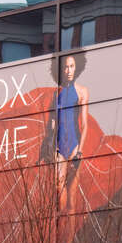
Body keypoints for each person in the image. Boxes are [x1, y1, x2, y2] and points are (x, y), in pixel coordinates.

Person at [49, 54, 89, 215]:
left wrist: (80, 150)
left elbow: (85, 124)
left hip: (74, 145)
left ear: (76, 67)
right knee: (59, 187)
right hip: (60, 147)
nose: (68, 70)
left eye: (71, 66)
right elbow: (53, 123)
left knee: (72, 199)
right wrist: (51, 144)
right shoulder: (56, 93)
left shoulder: (82, 91)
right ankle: (60, 229)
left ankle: (68, 239)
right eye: (66, 67)